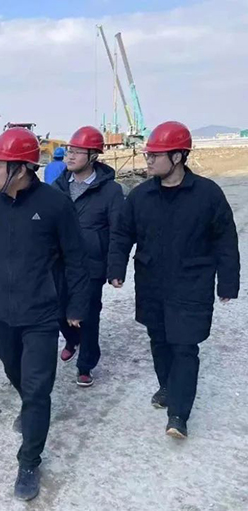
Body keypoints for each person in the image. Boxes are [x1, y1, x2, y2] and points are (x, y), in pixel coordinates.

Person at [0, 127, 89, 501]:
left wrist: (76, 307)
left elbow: (76, 259)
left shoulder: (55, 205)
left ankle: (29, 461)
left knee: (38, 389)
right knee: (13, 370)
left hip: (41, 315)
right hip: (3, 312)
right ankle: (30, 406)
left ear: (20, 169)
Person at [108, 121, 239, 439]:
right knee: (160, 339)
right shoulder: (141, 195)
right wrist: (116, 269)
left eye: (155, 155)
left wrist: (228, 282)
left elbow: (225, 240)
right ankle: (167, 386)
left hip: (192, 282)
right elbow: (122, 234)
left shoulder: (207, 194)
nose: (148, 160)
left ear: (178, 156)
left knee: (184, 346)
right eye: (148, 154)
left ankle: (178, 414)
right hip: (152, 282)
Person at [52, 126, 124, 387]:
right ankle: (72, 340)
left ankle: (86, 365)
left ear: (93, 155)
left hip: (92, 265)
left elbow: (118, 231)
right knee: (59, 310)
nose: (70, 156)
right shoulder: (58, 187)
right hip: (60, 264)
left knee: (89, 316)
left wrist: (115, 269)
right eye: (69, 150)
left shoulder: (111, 191)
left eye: (78, 152)